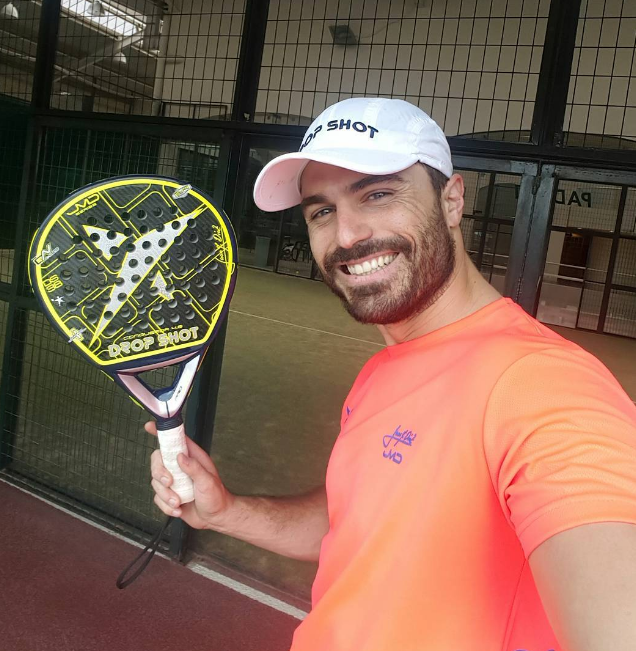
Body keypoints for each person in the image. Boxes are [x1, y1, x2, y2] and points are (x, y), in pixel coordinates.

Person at [148, 98, 636, 651]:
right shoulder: (382, 370)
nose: (348, 235)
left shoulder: (542, 386)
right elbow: (359, 522)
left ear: (452, 201)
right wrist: (228, 512)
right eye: (321, 211)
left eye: (377, 194)